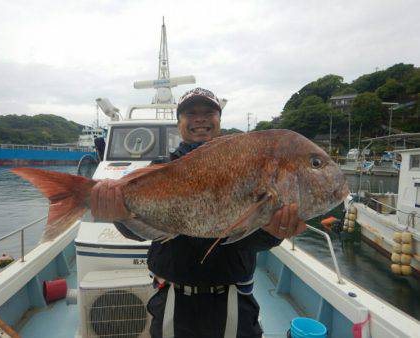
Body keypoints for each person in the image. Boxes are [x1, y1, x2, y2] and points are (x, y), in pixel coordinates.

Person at [91, 87, 306, 338]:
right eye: (190, 113)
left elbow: (252, 238)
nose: (200, 118)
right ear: (179, 123)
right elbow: (139, 233)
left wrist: (272, 233)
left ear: (219, 119)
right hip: (173, 299)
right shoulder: (161, 167)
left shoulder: (246, 163)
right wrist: (120, 214)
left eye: (208, 112)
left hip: (233, 299)